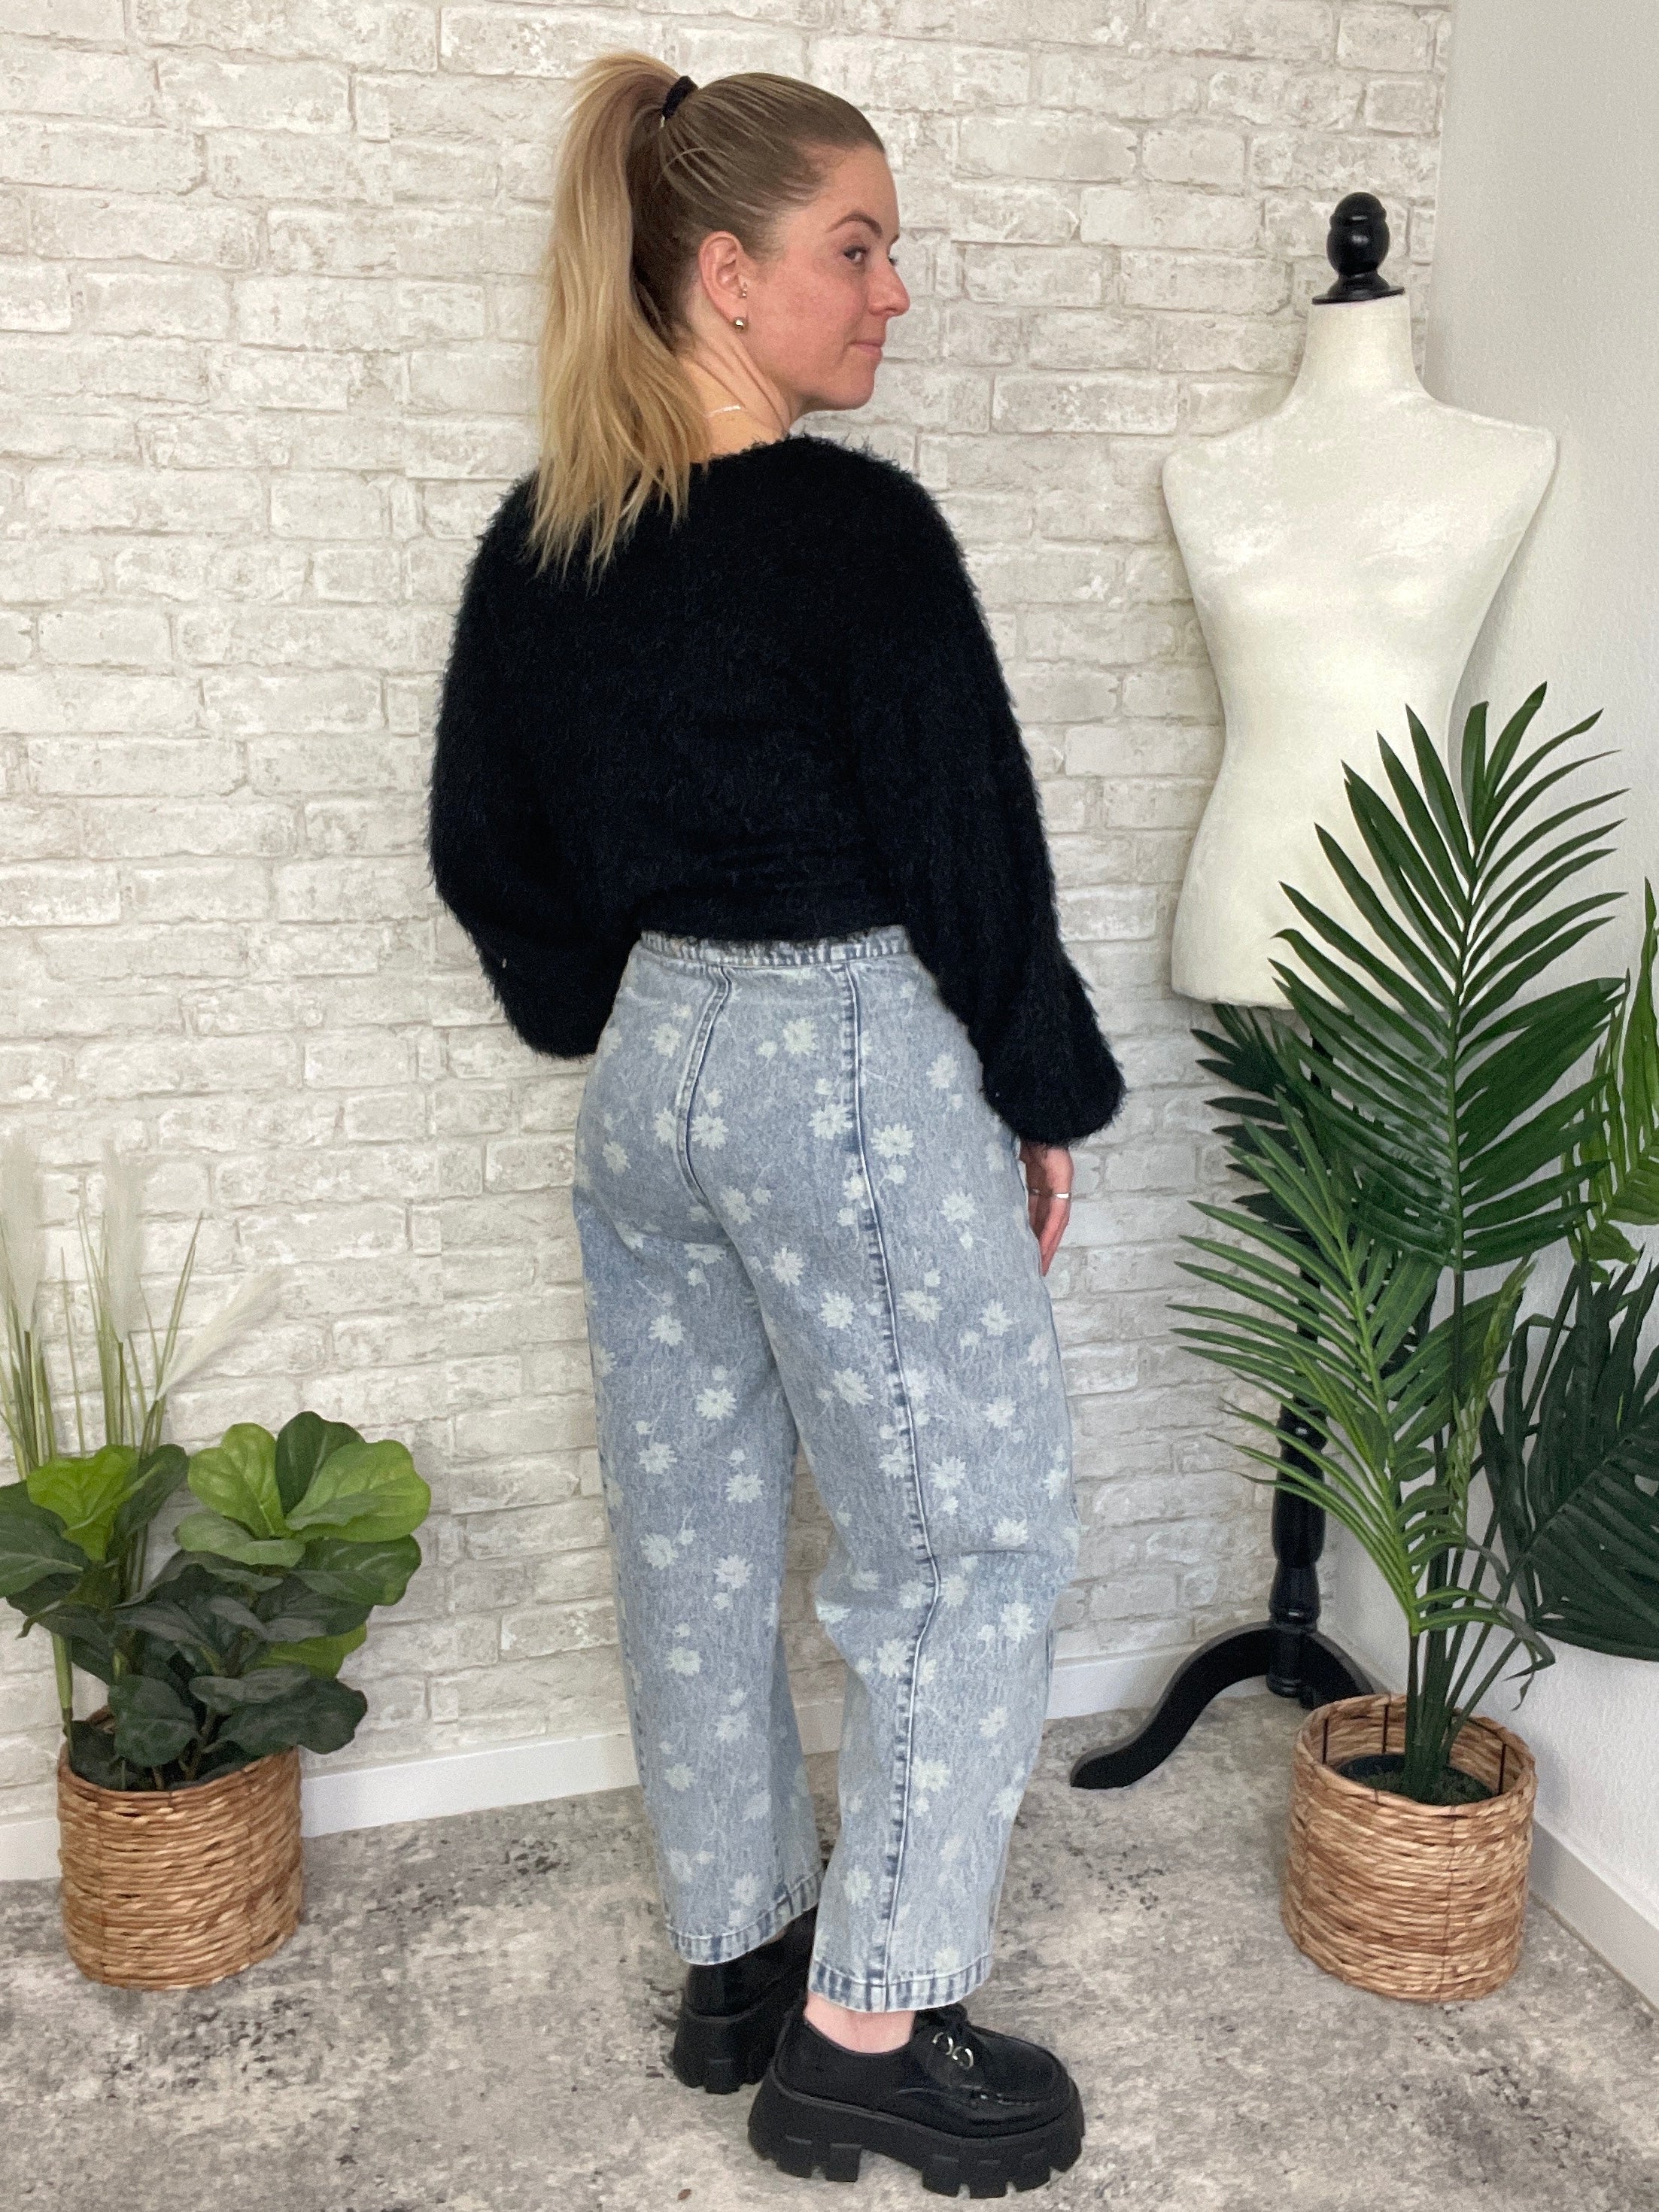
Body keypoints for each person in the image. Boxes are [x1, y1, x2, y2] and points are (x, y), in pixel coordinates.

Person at [425, 50, 1126, 2197]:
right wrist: (1040, 1090)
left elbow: (486, 848)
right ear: (727, 274)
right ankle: (864, 2035)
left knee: (699, 1526)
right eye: (859, 248)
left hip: (652, 1080)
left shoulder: (550, 536)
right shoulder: (852, 532)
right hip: (844, 1061)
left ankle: (738, 1957)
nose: (895, 292)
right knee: (972, 1539)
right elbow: (968, 849)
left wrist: (609, 1001)